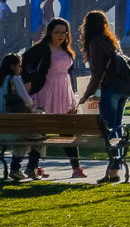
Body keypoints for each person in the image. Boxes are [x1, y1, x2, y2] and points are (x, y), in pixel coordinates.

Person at [22, 17, 86, 179]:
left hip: (64, 92)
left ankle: (76, 168)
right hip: (46, 91)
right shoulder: (42, 48)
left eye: (64, 33)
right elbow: (24, 63)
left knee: (67, 130)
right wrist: (31, 81)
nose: (61, 36)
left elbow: (68, 73)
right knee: (42, 130)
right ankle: (32, 166)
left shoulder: (66, 50)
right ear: (49, 32)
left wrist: (73, 96)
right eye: (57, 32)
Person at [76, 10, 127, 183]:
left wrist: (86, 95)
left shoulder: (95, 43)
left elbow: (97, 74)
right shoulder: (112, 41)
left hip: (110, 89)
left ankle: (113, 171)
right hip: (122, 89)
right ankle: (115, 170)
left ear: (87, 26)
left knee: (109, 130)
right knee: (117, 129)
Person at [1, 53, 39, 182]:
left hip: (3, 130)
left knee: (24, 136)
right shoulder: (14, 79)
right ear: (12, 66)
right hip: (14, 128)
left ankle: (15, 169)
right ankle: (31, 167)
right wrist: (35, 108)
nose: (21, 69)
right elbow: (27, 100)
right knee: (39, 137)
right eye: (19, 66)